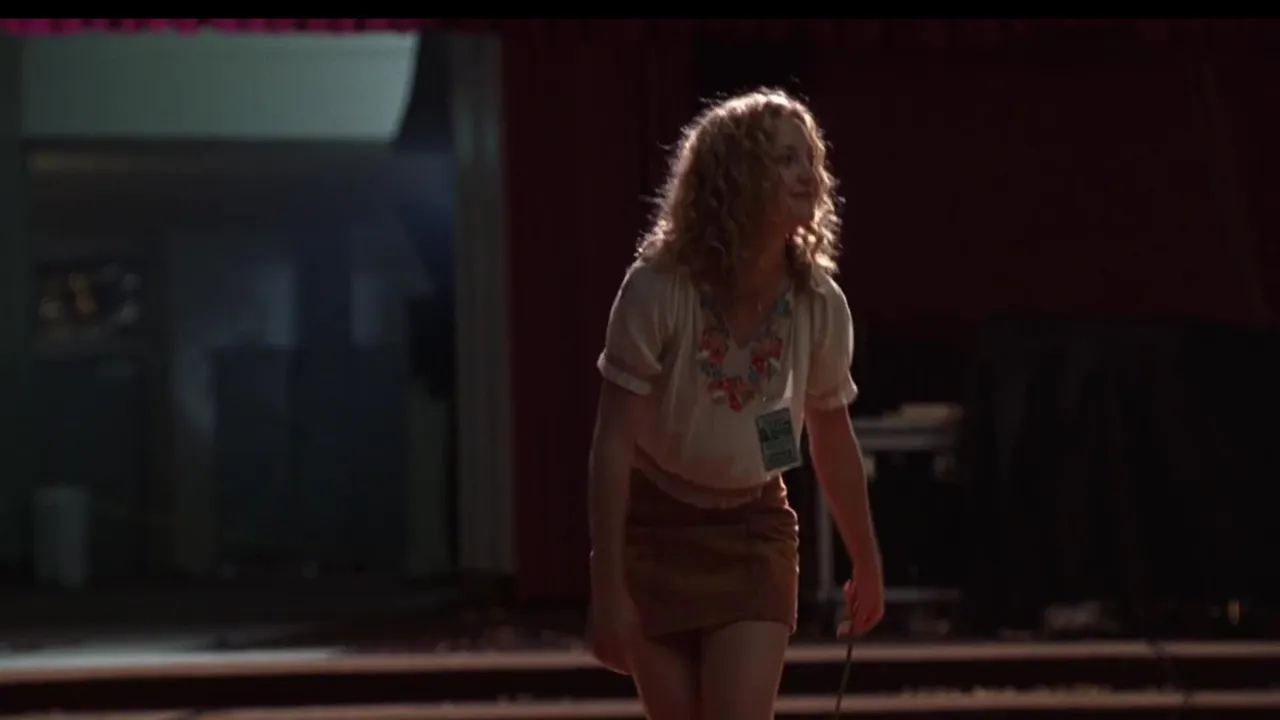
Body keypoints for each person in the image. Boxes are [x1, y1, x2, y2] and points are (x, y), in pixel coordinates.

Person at [587, 88, 885, 720]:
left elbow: (832, 434)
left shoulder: (818, 303)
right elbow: (612, 441)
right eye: (784, 159)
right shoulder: (658, 289)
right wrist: (606, 584)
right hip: (656, 532)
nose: (807, 174)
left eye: (810, 159)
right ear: (734, 177)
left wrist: (866, 558)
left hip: (753, 532)